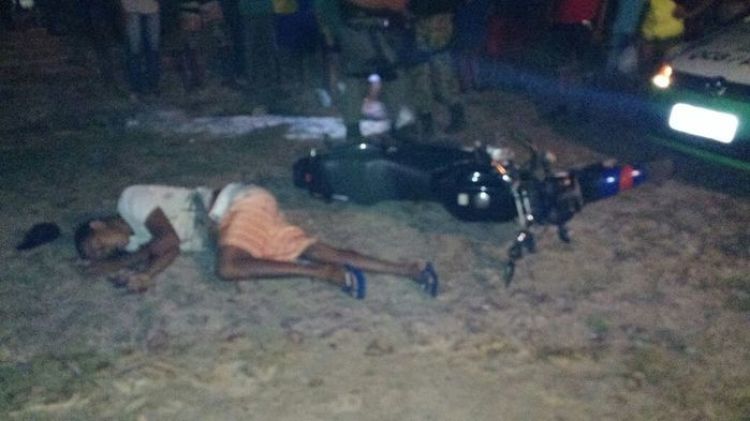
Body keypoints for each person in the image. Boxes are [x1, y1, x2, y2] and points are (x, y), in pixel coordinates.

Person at [74, 183, 439, 298]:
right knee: (318, 249)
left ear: (97, 224)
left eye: (99, 244)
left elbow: (166, 238)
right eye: (104, 254)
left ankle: (323, 274)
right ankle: (409, 269)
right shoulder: (138, 240)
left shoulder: (129, 201)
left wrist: (120, 264)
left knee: (227, 268)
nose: (108, 250)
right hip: (243, 221)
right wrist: (147, 275)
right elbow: (169, 250)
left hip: (237, 204)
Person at [406, 0, 466, 137]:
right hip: (427, 16)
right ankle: (429, 122)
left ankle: (450, 116)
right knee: (425, 72)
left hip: (435, 16)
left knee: (437, 69)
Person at [120, 0, 161, 97]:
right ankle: (135, 88)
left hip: (152, 8)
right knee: (134, 50)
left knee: (153, 50)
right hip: (131, 8)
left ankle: (153, 86)